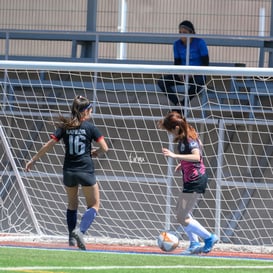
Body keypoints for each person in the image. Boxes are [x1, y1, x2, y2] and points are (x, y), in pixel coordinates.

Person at [25, 95, 108, 250]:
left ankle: (71, 239)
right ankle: (80, 231)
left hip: (69, 171)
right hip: (85, 170)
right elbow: (105, 148)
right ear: (85, 111)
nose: (91, 112)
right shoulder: (90, 128)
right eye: (90, 109)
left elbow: (49, 144)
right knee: (94, 205)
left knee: (72, 203)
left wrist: (34, 159)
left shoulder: (65, 127)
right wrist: (96, 152)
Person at [157, 111, 218, 255]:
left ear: (176, 127)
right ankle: (194, 243)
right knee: (181, 212)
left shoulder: (188, 139)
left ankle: (209, 237)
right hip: (191, 179)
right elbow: (200, 146)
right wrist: (183, 162)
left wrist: (175, 156)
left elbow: (197, 156)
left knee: (181, 216)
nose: (171, 134)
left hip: (196, 179)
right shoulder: (187, 136)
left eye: (170, 130)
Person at [158, 20, 209, 111]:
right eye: (180, 32)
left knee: (199, 81)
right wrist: (179, 73)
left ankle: (184, 103)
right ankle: (177, 103)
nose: (182, 35)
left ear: (192, 33)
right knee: (162, 81)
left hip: (196, 75)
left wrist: (193, 73)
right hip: (183, 75)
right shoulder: (176, 44)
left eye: (185, 32)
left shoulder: (200, 42)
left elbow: (205, 62)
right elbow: (177, 62)